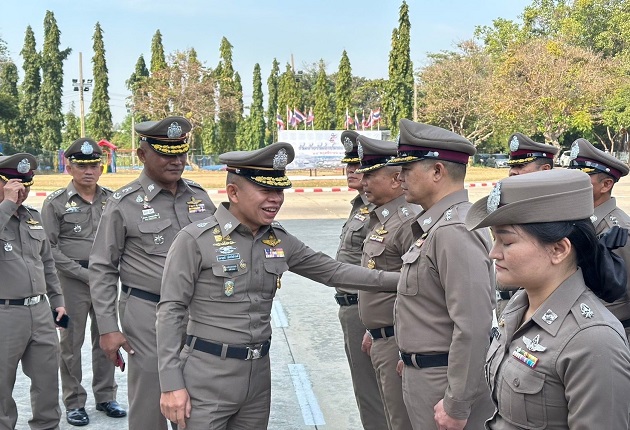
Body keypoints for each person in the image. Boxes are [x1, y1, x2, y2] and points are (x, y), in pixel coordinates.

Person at [156, 142, 400, 430]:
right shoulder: (195, 240)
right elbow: (170, 312)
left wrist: (407, 280)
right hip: (206, 374)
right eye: (265, 190)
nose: (275, 200)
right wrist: (171, 384)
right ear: (233, 192)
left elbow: (334, 272)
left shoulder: (278, 240)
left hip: (257, 377)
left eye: (279, 191)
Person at [466, 168, 630, 429]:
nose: (493, 253)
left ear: (558, 249)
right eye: (494, 240)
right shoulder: (518, 306)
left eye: (506, 242)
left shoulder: (593, 340)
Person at [89, 116, 217, 430]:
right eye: (165, 154)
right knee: (150, 403)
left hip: (198, 314)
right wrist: (108, 327)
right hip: (148, 314)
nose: (176, 161)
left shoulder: (199, 197)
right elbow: (103, 266)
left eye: (181, 152)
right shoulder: (123, 203)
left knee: (198, 405)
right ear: (142, 154)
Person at [389, 119, 495, 430]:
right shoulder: (436, 226)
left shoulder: (453, 230)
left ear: (437, 171)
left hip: (445, 383)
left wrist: (457, 403)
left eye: (407, 168)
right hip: (429, 374)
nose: (400, 177)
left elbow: (473, 325)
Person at [41, 138, 124, 426]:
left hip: (105, 282)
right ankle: (74, 401)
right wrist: (84, 274)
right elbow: (49, 249)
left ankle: (106, 396)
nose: (88, 171)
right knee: (70, 343)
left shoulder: (113, 200)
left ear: (101, 167)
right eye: (81, 166)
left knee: (108, 337)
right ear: (69, 168)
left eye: (93, 165)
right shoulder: (55, 203)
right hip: (69, 284)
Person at [0, 153, 67, 429]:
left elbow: (47, 263)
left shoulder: (32, 217)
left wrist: (58, 301)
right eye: (14, 184)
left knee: (47, 382)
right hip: (5, 314)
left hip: (39, 312)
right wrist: (6, 205)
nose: (22, 191)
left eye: (26, 184)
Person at [355, 135, 415, 430]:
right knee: (390, 418)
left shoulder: (406, 222)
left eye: (370, 175)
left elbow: (417, 289)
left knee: (401, 421)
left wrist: (407, 346)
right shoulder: (383, 219)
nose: (363, 181)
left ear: (394, 179)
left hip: (397, 341)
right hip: (382, 338)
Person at [334, 131, 387, 430]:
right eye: (350, 165)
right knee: (366, 392)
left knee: (375, 396)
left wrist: (373, 322)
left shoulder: (382, 210)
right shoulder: (360, 205)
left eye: (360, 166)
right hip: (351, 308)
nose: (353, 170)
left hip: (364, 309)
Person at [567, 138, 630, 338]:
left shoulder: (619, 230)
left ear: (606, 185)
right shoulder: (577, 221)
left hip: (612, 334)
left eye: (582, 177)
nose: (573, 183)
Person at [496, 133, 560, 317]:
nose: (512, 172)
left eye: (521, 166)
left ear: (545, 170)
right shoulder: (511, 205)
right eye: (512, 166)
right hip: (508, 306)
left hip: (542, 308)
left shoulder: (558, 212)